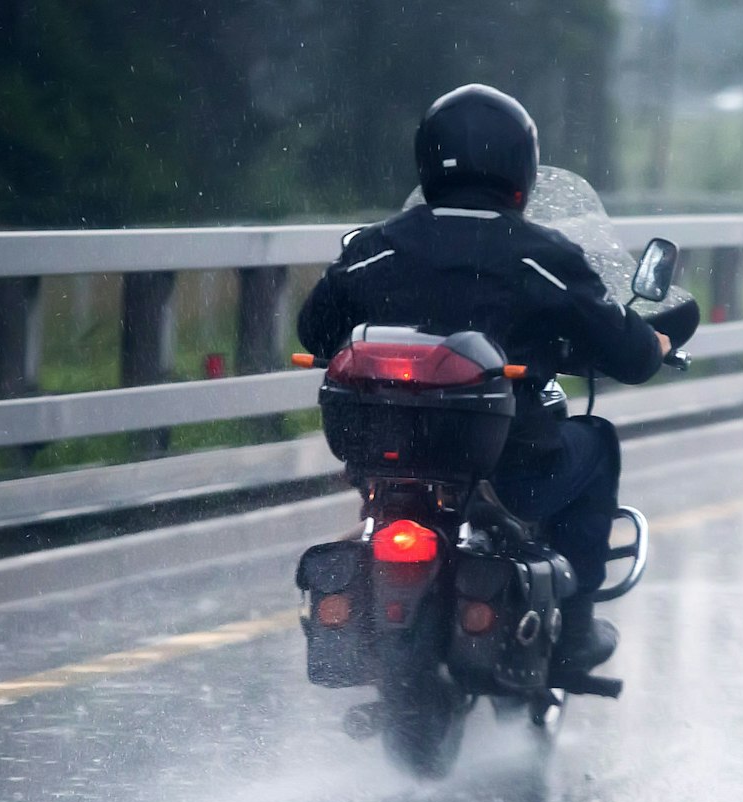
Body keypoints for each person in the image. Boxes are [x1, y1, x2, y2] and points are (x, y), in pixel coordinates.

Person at [297, 83, 698, 678]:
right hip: (512, 464)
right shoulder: (542, 256)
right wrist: (654, 343)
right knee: (596, 443)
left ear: (428, 159)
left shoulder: (377, 249)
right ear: (521, 167)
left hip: (386, 458)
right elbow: (629, 355)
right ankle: (576, 627)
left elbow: (314, 330)